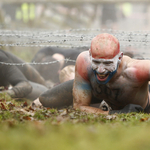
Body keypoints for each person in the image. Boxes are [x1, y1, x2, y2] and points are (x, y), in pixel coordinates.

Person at [39, 33, 150, 114]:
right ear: (90, 55)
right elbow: (79, 107)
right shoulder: (84, 61)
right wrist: (114, 114)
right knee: (46, 98)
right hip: (99, 92)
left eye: (107, 63)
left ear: (119, 58)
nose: (101, 70)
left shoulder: (137, 69)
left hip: (141, 103)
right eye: (96, 62)